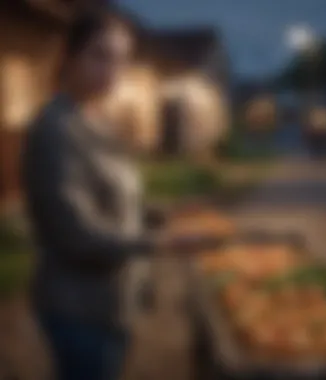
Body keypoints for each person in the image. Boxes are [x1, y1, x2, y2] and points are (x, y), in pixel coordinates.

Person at [22, 7, 189, 380]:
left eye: (121, 59)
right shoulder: (55, 129)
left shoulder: (94, 119)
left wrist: (160, 214)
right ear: (68, 54)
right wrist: (158, 242)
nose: (112, 71)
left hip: (113, 303)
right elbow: (76, 235)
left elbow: (115, 199)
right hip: (79, 308)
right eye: (100, 55)